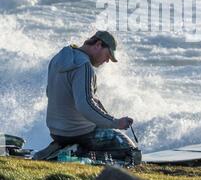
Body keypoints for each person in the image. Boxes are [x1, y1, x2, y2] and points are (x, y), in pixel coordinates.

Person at [36, 31, 134, 159]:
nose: (107, 61)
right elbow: (85, 105)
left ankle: (62, 147)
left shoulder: (57, 59)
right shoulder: (84, 66)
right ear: (98, 45)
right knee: (130, 151)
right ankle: (76, 152)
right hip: (79, 133)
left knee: (101, 128)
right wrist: (116, 123)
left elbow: (50, 92)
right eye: (108, 55)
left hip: (56, 131)